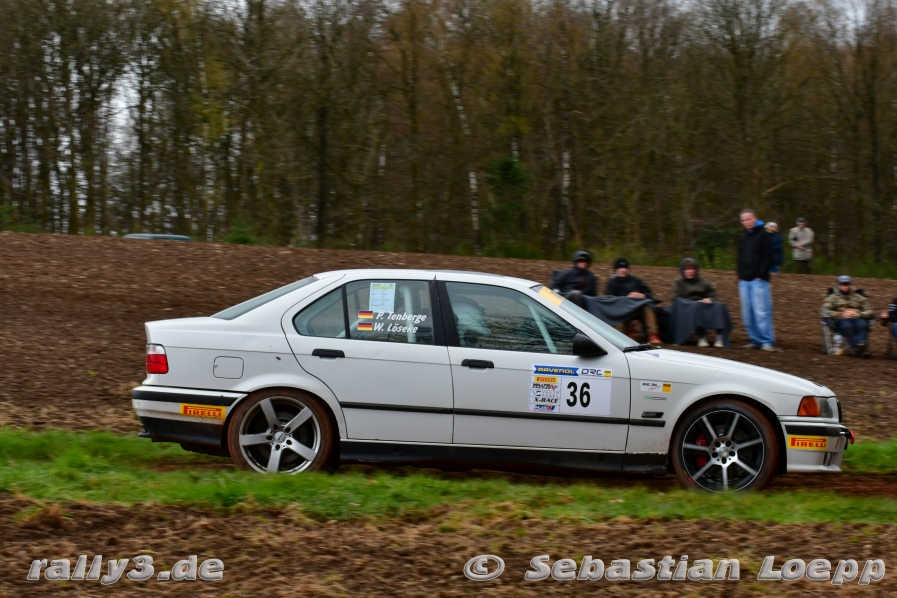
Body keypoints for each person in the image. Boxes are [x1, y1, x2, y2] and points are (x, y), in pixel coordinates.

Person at [737, 209, 776, 351]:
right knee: (747, 313)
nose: (746, 222)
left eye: (748, 219)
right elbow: (740, 257)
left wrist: (761, 273)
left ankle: (766, 340)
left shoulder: (764, 235)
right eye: (743, 220)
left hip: (758, 280)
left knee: (761, 311)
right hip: (744, 280)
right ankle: (754, 339)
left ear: (755, 218)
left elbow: (768, 256)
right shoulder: (743, 238)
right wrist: (740, 274)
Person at [605, 257, 661, 344]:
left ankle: (653, 334)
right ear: (615, 270)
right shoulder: (612, 283)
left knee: (647, 305)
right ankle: (630, 332)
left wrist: (642, 295)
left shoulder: (636, 280)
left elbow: (649, 293)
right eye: (620, 268)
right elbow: (609, 298)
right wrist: (625, 298)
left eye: (625, 268)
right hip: (622, 308)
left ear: (628, 269)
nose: (623, 270)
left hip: (638, 307)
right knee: (625, 304)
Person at [672, 257, 724, 348]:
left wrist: (709, 299)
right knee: (697, 305)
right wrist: (690, 303)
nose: (690, 271)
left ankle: (720, 336)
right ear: (683, 270)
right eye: (687, 269)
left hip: (704, 304)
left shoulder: (704, 283)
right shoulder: (678, 282)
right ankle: (702, 335)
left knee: (719, 306)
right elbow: (676, 298)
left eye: (692, 269)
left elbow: (712, 295)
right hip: (686, 306)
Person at [821, 275, 874, 356]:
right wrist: (841, 314)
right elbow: (824, 310)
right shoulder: (832, 297)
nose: (845, 287)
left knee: (862, 325)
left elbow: (871, 311)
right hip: (841, 320)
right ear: (839, 285)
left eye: (847, 284)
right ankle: (859, 347)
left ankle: (860, 346)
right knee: (848, 326)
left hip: (857, 318)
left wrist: (859, 314)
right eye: (843, 285)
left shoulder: (858, 297)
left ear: (850, 285)